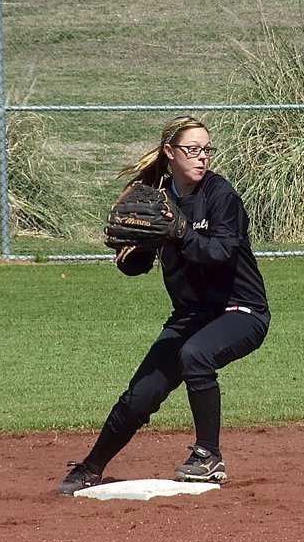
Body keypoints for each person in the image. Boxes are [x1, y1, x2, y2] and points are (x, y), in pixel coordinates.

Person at [58, 115, 270, 494]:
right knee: (141, 395)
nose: (202, 157)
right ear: (170, 153)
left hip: (240, 310)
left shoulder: (221, 197)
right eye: (193, 149)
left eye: (207, 149)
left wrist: (181, 231)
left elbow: (220, 253)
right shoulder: (157, 199)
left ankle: (208, 455)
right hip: (190, 315)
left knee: (195, 356)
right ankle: (91, 466)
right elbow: (142, 258)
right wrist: (133, 258)